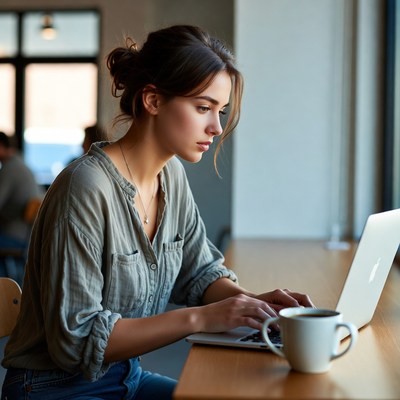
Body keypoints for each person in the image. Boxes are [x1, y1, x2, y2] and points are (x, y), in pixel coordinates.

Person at [1, 25, 314, 400]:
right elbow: (76, 341)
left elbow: (200, 272)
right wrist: (201, 319)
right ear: (152, 100)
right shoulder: (84, 187)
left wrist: (253, 304)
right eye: (203, 108)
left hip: (125, 377)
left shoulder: (172, 176)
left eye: (220, 110)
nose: (216, 127)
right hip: (55, 389)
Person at [0, 132, 44, 282]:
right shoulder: (21, 164)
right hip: (26, 235)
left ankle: (4, 292)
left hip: (15, 236)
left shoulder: (10, 168)